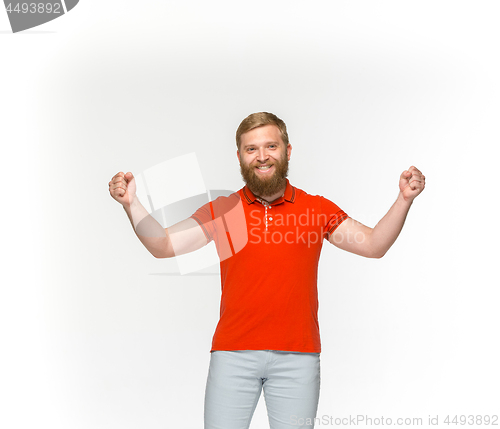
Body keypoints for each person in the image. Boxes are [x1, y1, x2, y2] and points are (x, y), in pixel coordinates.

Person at [108, 112, 426, 429]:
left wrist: (404, 199)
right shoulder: (224, 211)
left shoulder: (316, 209)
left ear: (287, 151)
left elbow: (373, 245)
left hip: (298, 357)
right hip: (232, 355)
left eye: (270, 146)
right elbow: (163, 245)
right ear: (240, 157)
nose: (262, 156)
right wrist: (131, 204)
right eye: (251, 149)